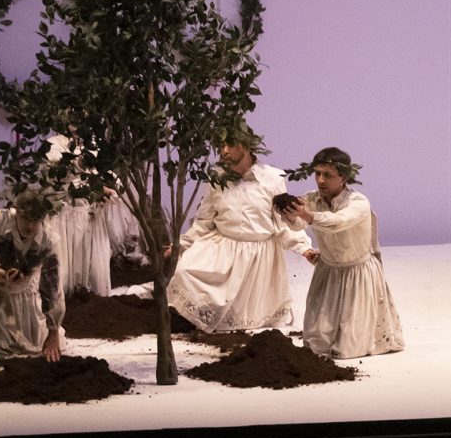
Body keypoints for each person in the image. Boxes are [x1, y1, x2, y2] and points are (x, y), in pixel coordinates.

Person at [166, 120, 307, 334]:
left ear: (247, 145)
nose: (224, 151)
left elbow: (281, 224)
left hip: (258, 257)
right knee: (185, 270)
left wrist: (304, 248)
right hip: (223, 248)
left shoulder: (272, 178)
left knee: (240, 319)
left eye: (229, 145)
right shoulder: (217, 177)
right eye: (221, 146)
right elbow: (204, 220)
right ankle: (189, 318)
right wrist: (180, 246)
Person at [284, 146, 404, 359]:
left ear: (343, 177)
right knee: (315, 342)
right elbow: (296, 225)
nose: (321, 180)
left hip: (356, 274)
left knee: (349, 346)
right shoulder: (312, 199)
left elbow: (338, 222)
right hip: (328, 272)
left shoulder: (358, 202)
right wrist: (290, 213)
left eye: (328, 175)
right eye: (318, 173)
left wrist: (307, 215)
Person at [0, 188, 66, 363]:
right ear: (16, 214)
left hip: (20, 290)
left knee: (30, 344)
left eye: (35, 221)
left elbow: (53, 287)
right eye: (25, 219)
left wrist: (53, 331)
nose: (29, 226)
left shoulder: (48, 240)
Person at [42, 133, 118, 299]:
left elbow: (107, 176)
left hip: (88, 216)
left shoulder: (93, 145)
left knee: (89, 269)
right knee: (62, 270)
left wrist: (107, 187)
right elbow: (59, 176)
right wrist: (94, 186)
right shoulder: (52, 144)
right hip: (63, 217)